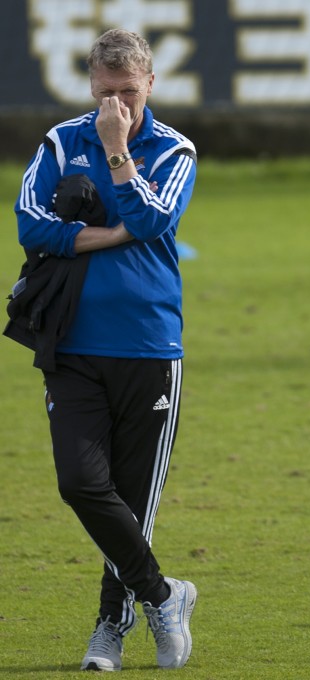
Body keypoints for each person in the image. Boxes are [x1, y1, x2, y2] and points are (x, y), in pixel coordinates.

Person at [12, 28, 198, 671]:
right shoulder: (62, 142)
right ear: (89, 86)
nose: (115, 106)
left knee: (132, 505)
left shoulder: (174, 149)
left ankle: (108, 632)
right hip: (72, 344)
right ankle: (163, 594)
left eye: (127, 92)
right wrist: (106, 232)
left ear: (150, 84)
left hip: (149, 346)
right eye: (103, 94)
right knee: (81, 483)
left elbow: (152, 221)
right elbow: (29, 224)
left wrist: (118, 155)